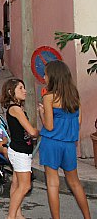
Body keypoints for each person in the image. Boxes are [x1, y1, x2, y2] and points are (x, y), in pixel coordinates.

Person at [38, 61, 91, 219]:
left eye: (46, 74)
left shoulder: (49, 97)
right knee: (75, 182)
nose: (44, 77)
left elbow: (48, 126)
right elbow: (79, 121)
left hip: (51, 143)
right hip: (69, 145)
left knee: (53, 183)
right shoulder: (74, 96)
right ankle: (87, 217)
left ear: (53, 77)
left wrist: (42, 113)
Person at [0, 79, 39, 219]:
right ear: (11, 92)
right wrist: (39, 130)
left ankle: (17, 214)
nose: (25, 91)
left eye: (24, 87)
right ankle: (11, 216)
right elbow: (32, 131)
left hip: (19, 150)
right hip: (20, 152)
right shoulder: (15, 109)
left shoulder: (16, 108)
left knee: (16, 184)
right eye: (20, 88)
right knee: (25, 186)